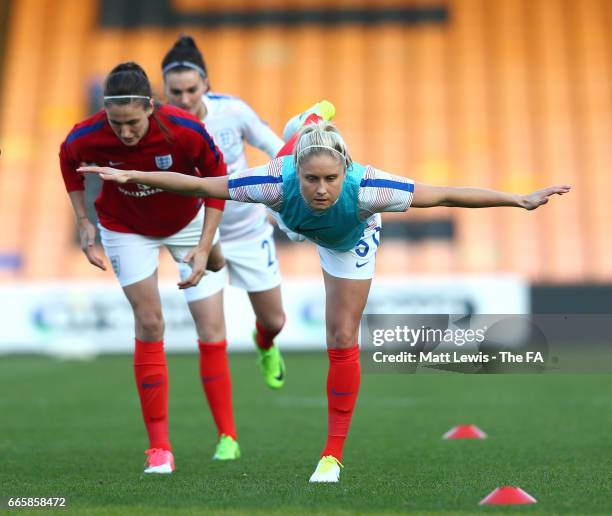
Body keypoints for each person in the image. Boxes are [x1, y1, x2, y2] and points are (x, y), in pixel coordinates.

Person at [79, 119, 571, 482]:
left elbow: (444, 194)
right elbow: (203, 185)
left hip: (346, 239)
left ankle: (331, 455)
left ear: (345, 173)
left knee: (341, 335)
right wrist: (133, 177)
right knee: (299, 139)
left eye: (330, 179)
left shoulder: (370, 190)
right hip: (289, 222)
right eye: (311, 178)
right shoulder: (274, 179)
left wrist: (518, 199)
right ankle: (306, 122)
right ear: (298, 173)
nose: (320, 187)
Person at [60, 62, 240, 475]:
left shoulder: (184, 130)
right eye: (117, 123)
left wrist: (202, 241)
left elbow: (217, 178)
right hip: (125, 227)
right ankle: (160, 449)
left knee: (210, 327)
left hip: (187, 223)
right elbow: (68, 161)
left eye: (133, 122)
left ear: (151, 107)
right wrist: (83, 219)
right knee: (150, 322)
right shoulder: (87, 134)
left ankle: (227, 436)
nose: (125, 132)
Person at [160, 35, 334, 388]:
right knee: (209, 334)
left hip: (248, 230)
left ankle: (265, 344)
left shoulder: (233, 112)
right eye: (175, 93)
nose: (184, 99)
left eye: (191, 89)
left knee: (274, 321)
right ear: (165, 90)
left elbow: (275, 148)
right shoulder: (158, 128)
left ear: (206, 83)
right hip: (197, 238)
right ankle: (227, 438)